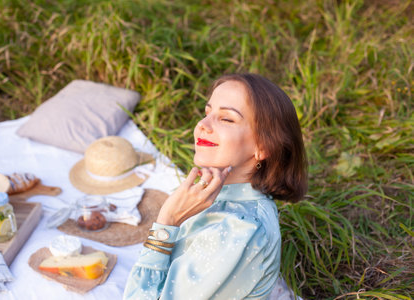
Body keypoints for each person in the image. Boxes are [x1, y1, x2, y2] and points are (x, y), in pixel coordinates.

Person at [123, 73, 307, 300]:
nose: (202, 125)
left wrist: (166, 223)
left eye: (227, 119)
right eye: (207, 113)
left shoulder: (237, 231)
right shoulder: (219, 195)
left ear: (263, 146)